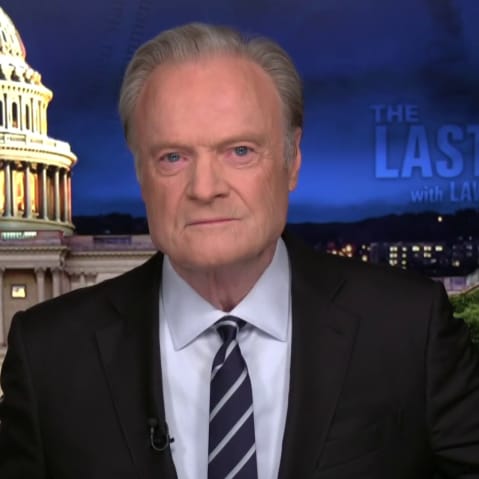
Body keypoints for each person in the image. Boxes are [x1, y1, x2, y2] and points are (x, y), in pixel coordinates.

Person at [1, 22, 479, 479]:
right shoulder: (48, 357)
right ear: (140, 174)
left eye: (240, 151)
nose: (205, 188)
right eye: (173, 157)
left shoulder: (409, 329)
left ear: (293, 160)